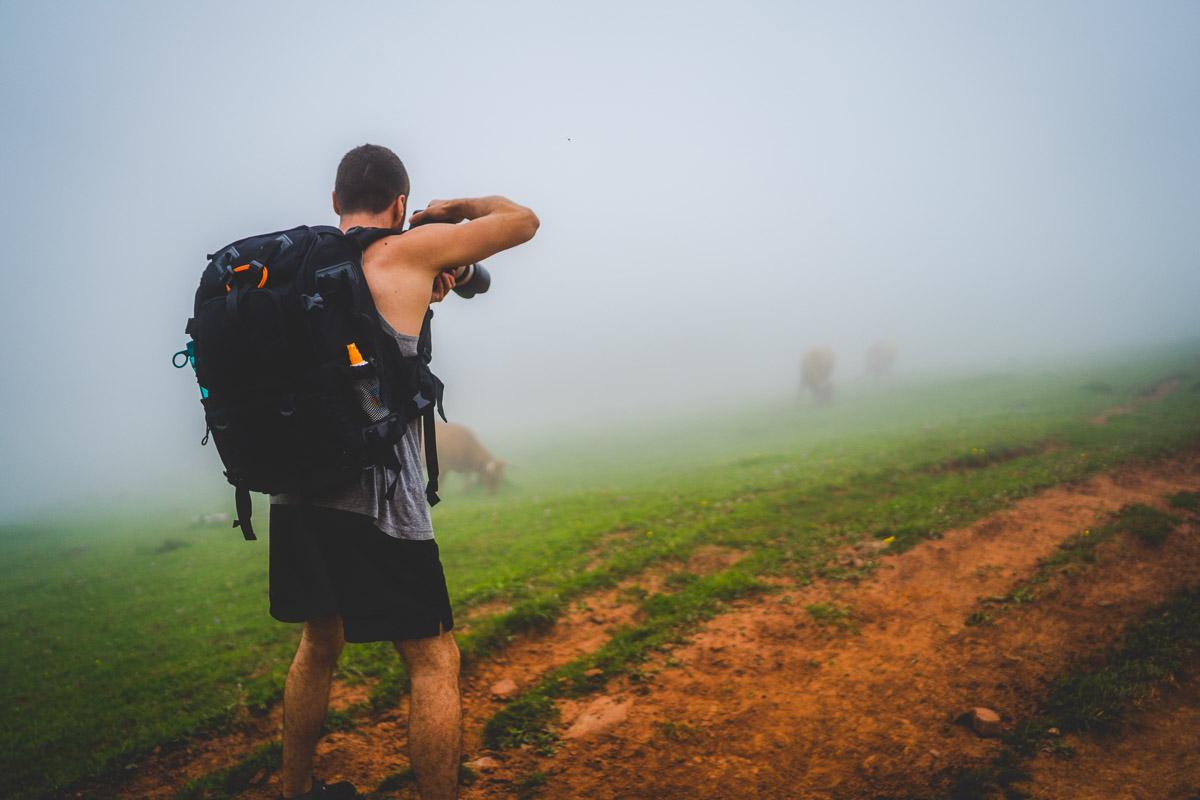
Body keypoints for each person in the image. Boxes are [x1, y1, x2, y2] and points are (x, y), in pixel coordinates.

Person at [267, 144, 539, 800]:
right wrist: (454, 214)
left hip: (293, 493)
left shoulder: (296, 271)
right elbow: (524, 220)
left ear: (335, 203)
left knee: (317, 646)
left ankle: (293, 790)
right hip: (379, 504)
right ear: (397, 205)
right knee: (432, 661)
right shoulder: (405, 252)